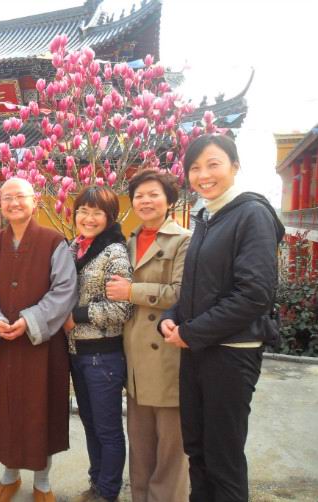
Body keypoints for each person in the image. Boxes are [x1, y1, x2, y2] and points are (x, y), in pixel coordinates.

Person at [159, 135, 284, 502]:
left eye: (213, 164)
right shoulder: (207, 217)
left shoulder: (251, 214)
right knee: (197, 450)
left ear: (235, 166)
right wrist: (171, 316)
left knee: (222, 458)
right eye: (195, 167)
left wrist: (191, 332)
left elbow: (254, 294)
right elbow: (196, 286)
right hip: (197, 349)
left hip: (231, 353)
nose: (203, 175)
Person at [0, 177, 77, 502]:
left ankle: (42, 482)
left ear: (35, 200)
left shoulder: (54, 242)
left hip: (41, 345)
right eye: (7, 198)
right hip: (0, 343)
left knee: (41, 411)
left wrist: (29, 320)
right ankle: (9, 476)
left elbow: (64, 290)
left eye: (20, 197)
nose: (13, 203)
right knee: (4, 409)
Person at [105, 170, 190, 502]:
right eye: (139, 196)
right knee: (140, 445)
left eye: (154, 194)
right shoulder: (128, 241)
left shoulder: (183, 240)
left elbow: (182, 293)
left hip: (167, 354)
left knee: (170, 448)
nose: (145, 201)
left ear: (169, 200)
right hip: (134, 356)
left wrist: (132, 291)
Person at [63, 186, 133, 502]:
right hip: (77, 353)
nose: (88, 218)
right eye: (83, 211)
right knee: (91, 425)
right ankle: (97, 483)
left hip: (103, 356)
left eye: (97, 213)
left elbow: (121, 309)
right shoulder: (73, 247)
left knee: (107, 429)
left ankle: (108, 492)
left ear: (109, 217)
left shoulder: (114, 252)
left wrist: (75, 316)